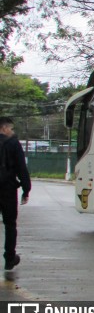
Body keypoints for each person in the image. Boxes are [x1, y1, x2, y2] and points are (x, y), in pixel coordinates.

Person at [0, 116, 31, 270]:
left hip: (7, 188)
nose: (12, 132)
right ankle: (10, 258)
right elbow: (21, 168)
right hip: (7, 189)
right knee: (10, 224)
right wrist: (26, 190)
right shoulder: (13, 143)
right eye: (11, 129)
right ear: (4, 128)